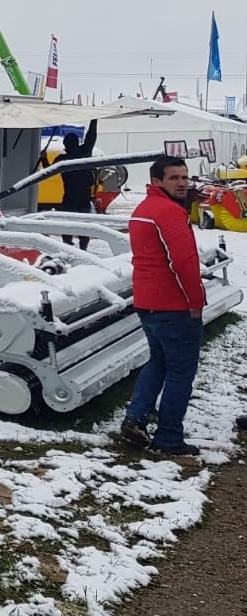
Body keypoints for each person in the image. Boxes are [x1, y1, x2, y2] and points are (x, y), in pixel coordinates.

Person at [120, 155, 205, 457]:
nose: (182, 183)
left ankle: (137, 416)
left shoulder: (143, 209)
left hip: (148, 302)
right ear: (157, 181)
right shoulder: (169, 213)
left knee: (158, 361)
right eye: (174, 178)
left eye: (185, 177)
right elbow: (183, 262)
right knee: (181, 371)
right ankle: (169, 436)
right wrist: (195, 302)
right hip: (173, 304)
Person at [56, 120, 99, 250]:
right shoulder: (84, 152)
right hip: (84, 197)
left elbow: (48, 170)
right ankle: (83, 248)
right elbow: (91, 136)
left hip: (69, 196)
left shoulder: (61, 159)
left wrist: (44, 158)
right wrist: (94, 120)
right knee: (84, 224)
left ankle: (67, 245)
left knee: (67, 224)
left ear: (65, 144)